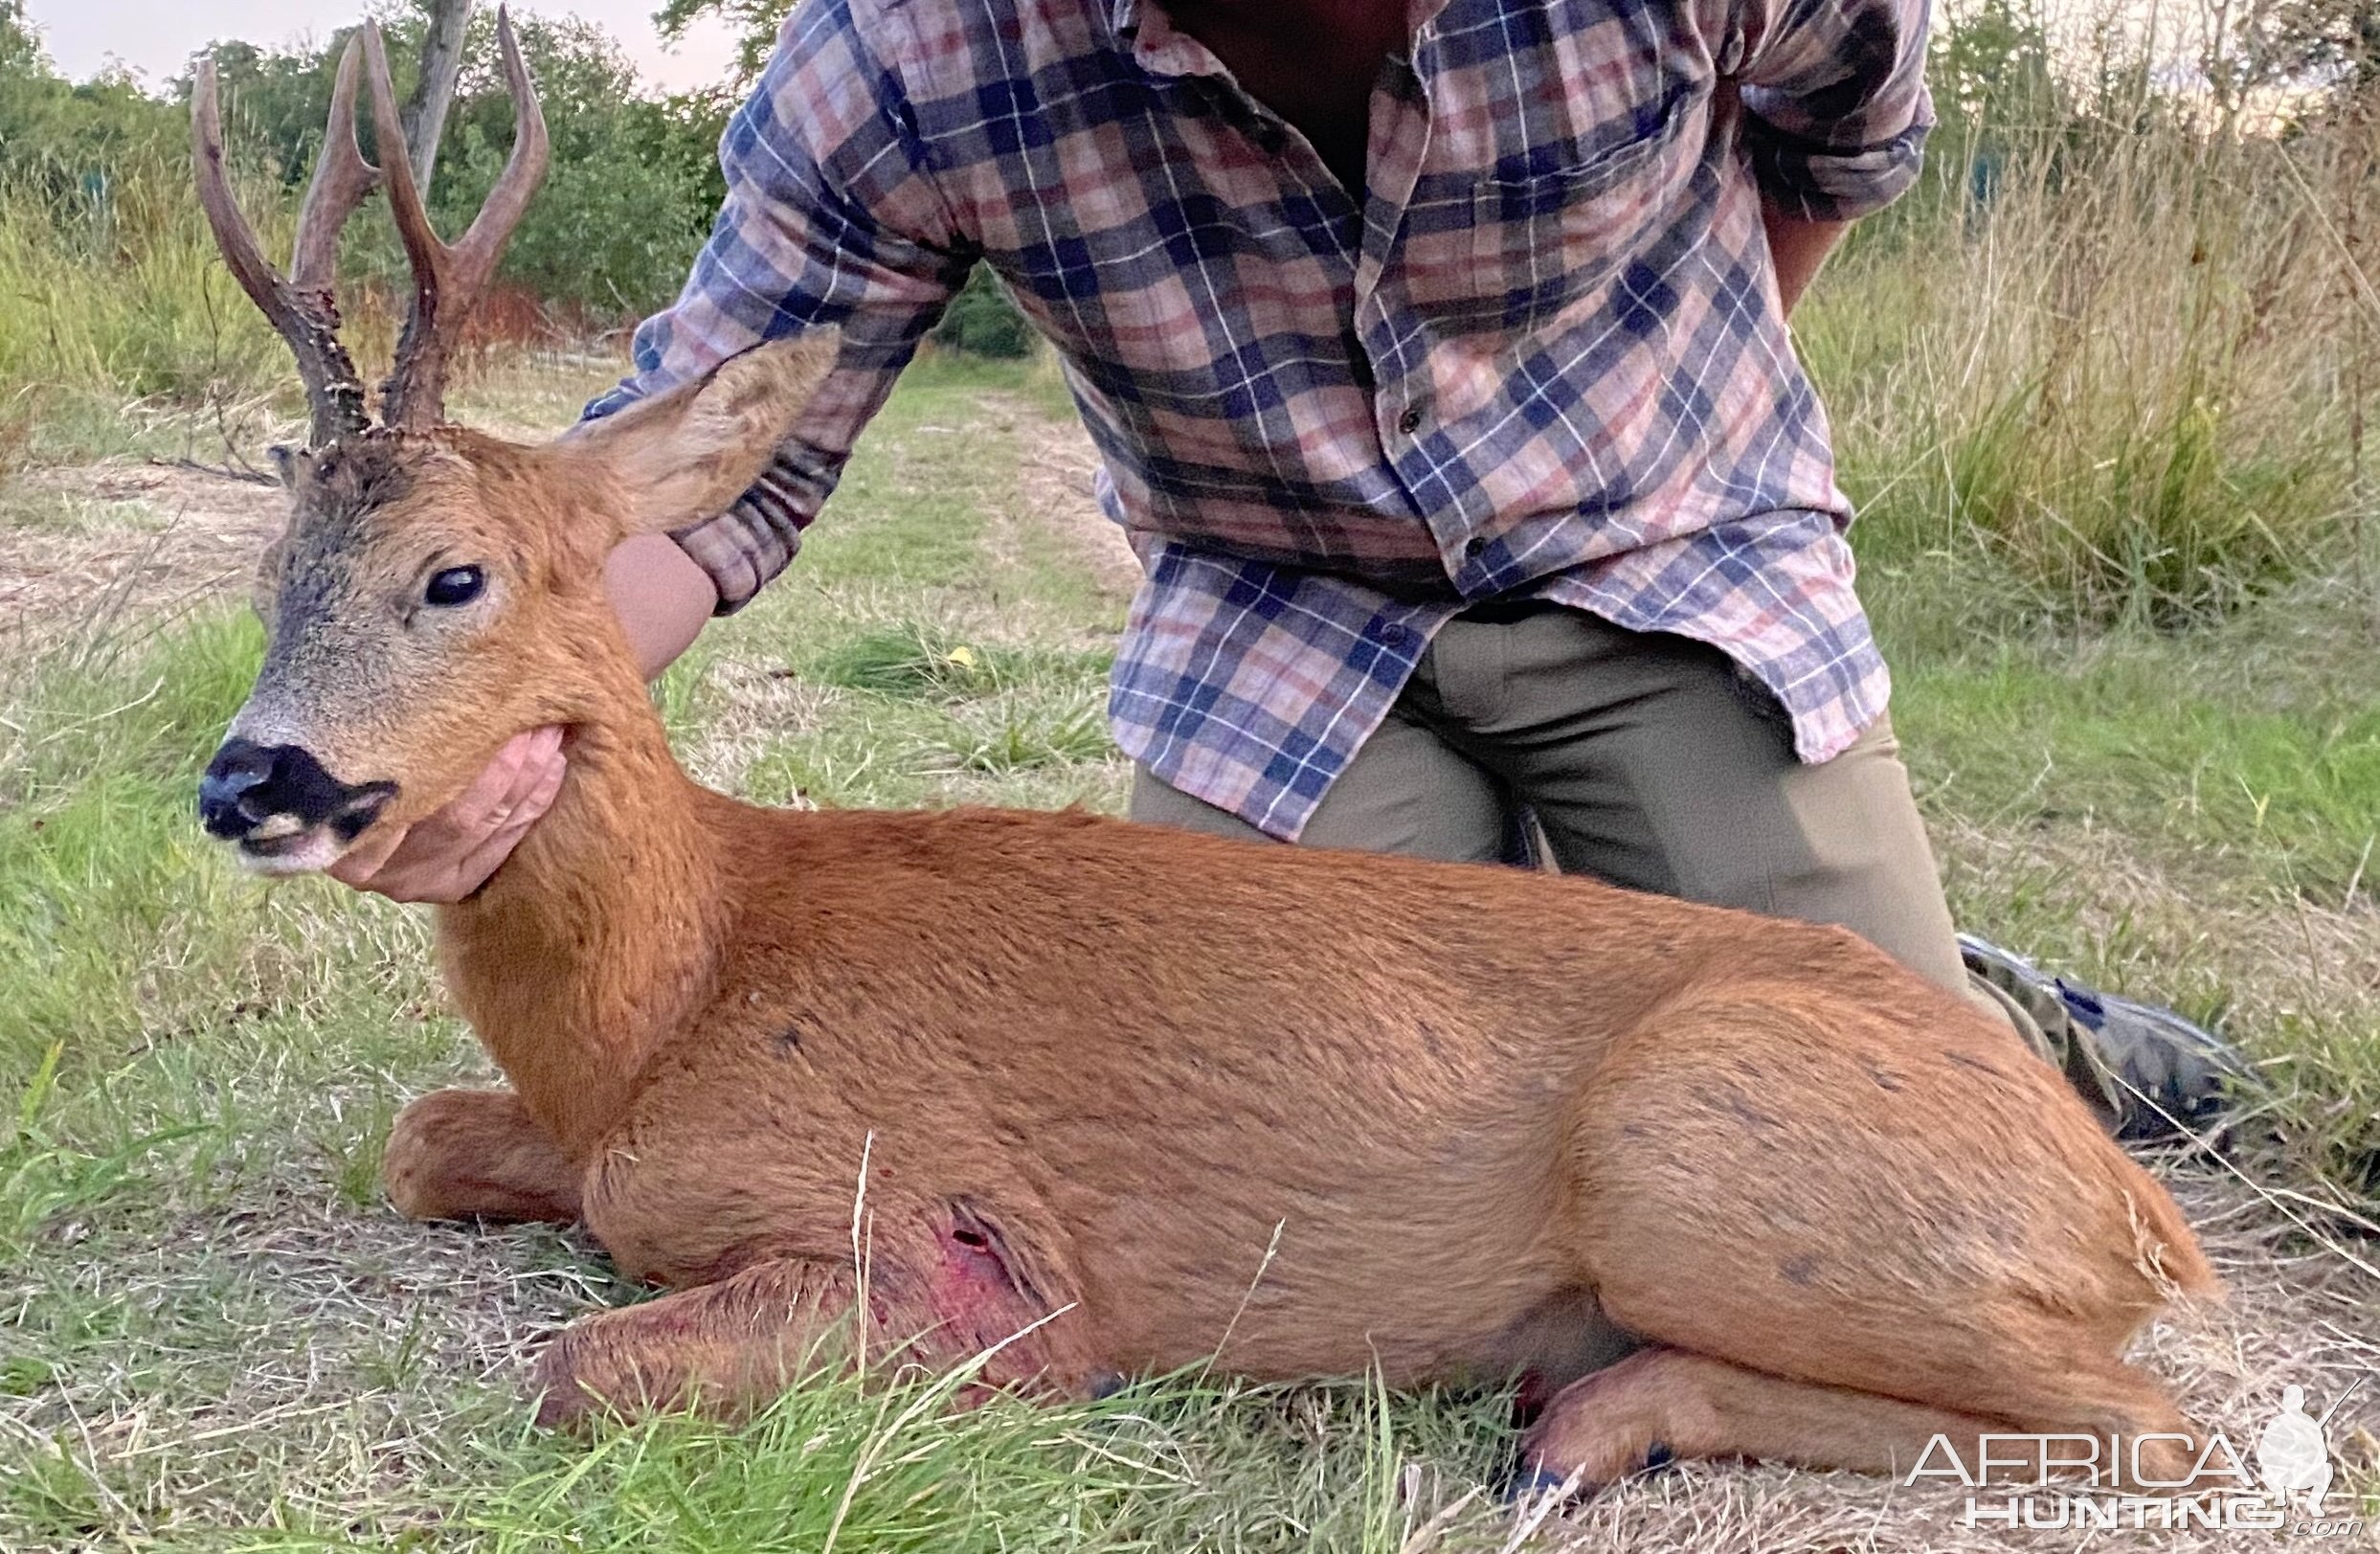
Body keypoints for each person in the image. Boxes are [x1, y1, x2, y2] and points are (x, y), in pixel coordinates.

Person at [326, 0, 2240, 1134]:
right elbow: (702, 465)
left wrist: (1689, 424)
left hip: (1672, 563)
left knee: (1870, 1105)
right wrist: (499, 713)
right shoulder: (902, 58)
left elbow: (1844, 135)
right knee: (1313, 1136)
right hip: (1289, 631)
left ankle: (1998, 1007)